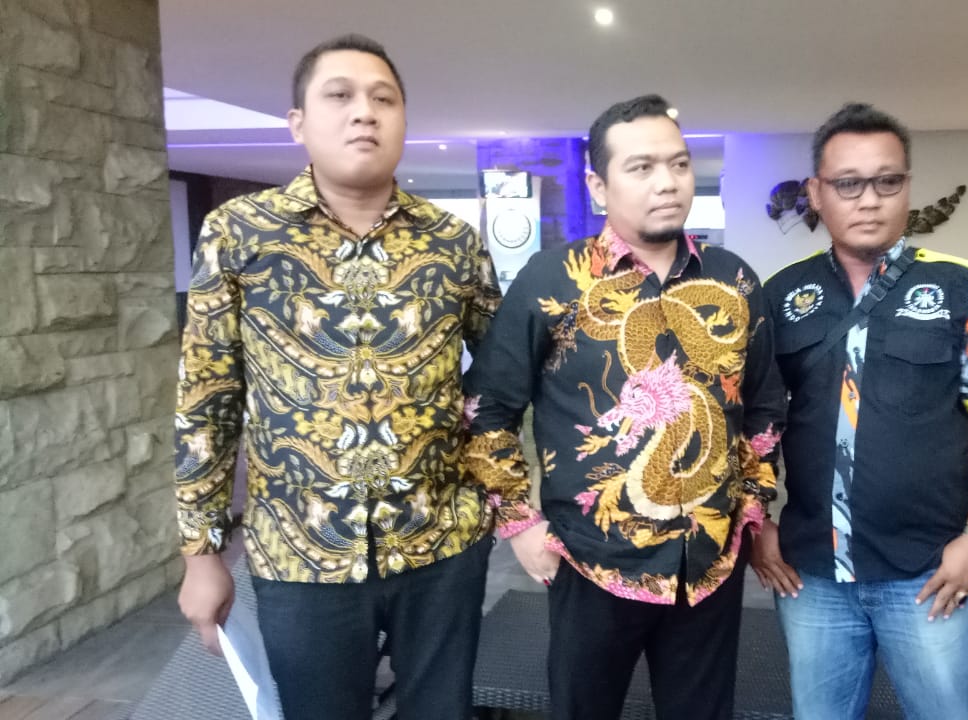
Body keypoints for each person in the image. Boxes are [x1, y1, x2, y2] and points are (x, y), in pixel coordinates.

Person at [174, 34, 502, 720]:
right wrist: (202, 553)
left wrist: (503, 497)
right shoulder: (240, 233)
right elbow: (208, 397)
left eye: (384, 99)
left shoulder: (453, 242)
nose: (364, 112)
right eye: (340, 96)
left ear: (404, 120)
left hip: (441, 543)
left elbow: (499, 381)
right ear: (298, 123)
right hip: (301, 552)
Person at [463, 94, 787, 720]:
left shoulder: (734, 280)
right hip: (591, 563)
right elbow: (487, 408)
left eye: (679, 164)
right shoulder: (553, 280)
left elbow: (764, 406)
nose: (667, 182)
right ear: (598, 184)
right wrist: (520, 523)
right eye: (641, 167)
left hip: (710, 563)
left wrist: (752, 505)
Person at [750, 102, 968, 720]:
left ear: (907, 186)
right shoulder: (781, 294)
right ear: (816, 193)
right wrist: (757, 522)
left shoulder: (964, 287)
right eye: (848, 184)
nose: (870, 200)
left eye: (888, 181)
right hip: (812, 571)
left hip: (928, 570)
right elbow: (756, 423)